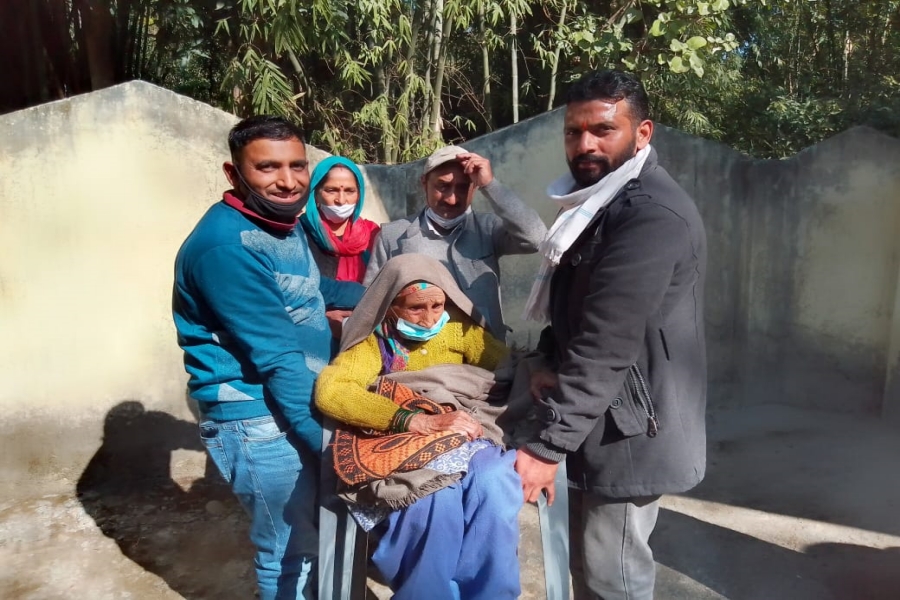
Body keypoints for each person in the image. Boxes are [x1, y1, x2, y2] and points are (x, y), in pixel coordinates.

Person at [515, 70, 708, 600]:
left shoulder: (649, 217)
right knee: (590, 569)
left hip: (631, 432)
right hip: (604, 416)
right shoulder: (598, 204)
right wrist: (548, 358)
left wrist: (547, 446)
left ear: (642, 133)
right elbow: (577, 310)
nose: (585, 145)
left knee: (612, 577)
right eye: (574, 132)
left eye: (603, 130)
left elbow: (606, 342)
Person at [172, 115, 363, 600]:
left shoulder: (281, 222)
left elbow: (312, 289)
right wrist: (333, 446)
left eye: (298, 165)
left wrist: (388, 291)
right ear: (233, 174)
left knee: (317, 534)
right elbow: (277, 360)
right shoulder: (225, 246)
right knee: (290, 548)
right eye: (268, 167)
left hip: (293, 402)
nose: (288, 180)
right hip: (257, 417)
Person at [316, 254, 523, 600]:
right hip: (410, 438)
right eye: (416, 308)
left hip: (467, 430)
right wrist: (412, 419)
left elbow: (509, 365)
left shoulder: (461, 331)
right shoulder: (374, 343)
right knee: (433, 500)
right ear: (392, 305)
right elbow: (332, 390)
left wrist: (535, 372)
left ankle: (490, 593)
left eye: (437, 306)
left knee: (495, 482)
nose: (429, 318)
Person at [363, 146, 547, 342]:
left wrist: (491, 185)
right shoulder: (394, 236)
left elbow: (536, 238)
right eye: (442, 186)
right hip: (419, 355)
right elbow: (371, 303)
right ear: (424, 183)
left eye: (462, 187)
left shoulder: (488, 228)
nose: (452, 199)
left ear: (474, 187)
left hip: (484, 355)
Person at [300, 156, 380, 341]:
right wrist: (322, 316)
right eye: (331, 190)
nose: (341, 200)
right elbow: (294, 287)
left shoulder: (373, 234)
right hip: (312, 334)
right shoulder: (298, 233)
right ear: (316, 193)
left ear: (359, 195)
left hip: (366, 334)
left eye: (350, 191)